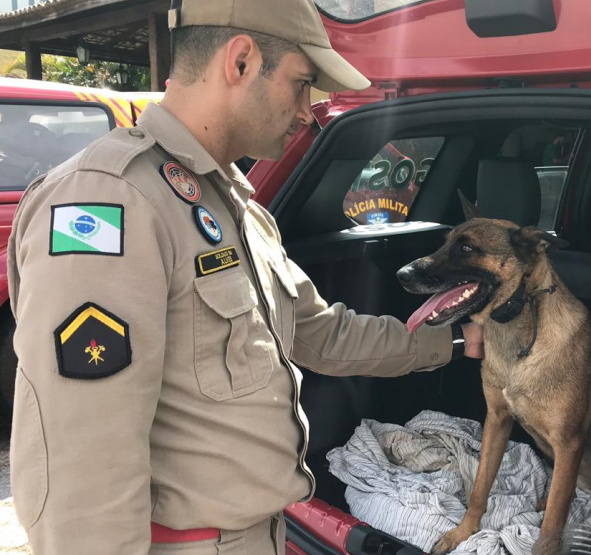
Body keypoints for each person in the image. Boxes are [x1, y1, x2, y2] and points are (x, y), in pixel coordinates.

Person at [6, 0, 483, 553]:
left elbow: (323, 333)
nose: (310, 112)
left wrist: (450, 341)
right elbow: (80, 458)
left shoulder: (237, 208)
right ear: (240, 62)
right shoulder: (112, 199)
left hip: (260, 532)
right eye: (302, 85)